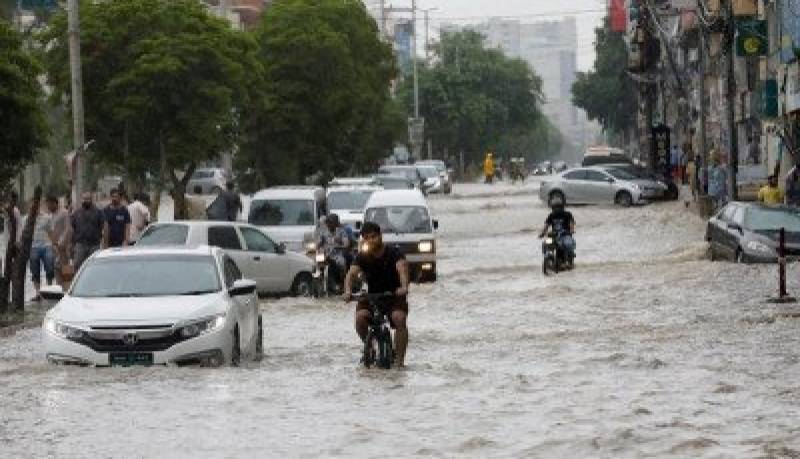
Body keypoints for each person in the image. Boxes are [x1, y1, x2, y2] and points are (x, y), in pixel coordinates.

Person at [343, 222, 410, 367]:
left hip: (393, 295)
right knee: (360, 319)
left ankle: (399, 361)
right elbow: (351, 274)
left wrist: (404, 287)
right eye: (367, 238)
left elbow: (402, 269)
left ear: (380, 236)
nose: (371, 240)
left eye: (373, 237)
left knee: (399, 318)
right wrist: (348, 291)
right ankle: (370, 347)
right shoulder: (362, 256)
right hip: (371, 296)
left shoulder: (394, 252)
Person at [28, 195, 58, 301]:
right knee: (35, 271)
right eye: (32, 205)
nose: (34, 207)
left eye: (36, 205)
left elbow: (52, 232)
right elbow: (23, 235)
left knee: (50, 267)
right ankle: (38, 293)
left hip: (46, 245)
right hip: (33, 247)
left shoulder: (46, 217)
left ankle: (49, 290)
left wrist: (55, 245)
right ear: (30, 206)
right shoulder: (26, 219)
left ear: (39, 205)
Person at [70, 192, 104, 270]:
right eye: (84, 199)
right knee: (77, 264)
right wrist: (71, 244)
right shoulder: (76, 213)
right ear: (82, 200)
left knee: (95, 266)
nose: (86, 200)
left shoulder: (98, 212)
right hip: (80, 244)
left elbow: (102, 227)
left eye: (88, 199)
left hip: (94, 244)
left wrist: (102, 242)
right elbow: (72, 229)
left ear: (91, 200)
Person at [318, 214, 351, 290]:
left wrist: (340, 246)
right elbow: (319, 242)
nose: (329, 224)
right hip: (325, 254)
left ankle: (343, 283)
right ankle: (316, 283)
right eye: (328, 222)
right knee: (314, 264)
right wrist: (317, 246)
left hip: (337, 255)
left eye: (331, 222)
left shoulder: (341, 232)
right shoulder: (323, 232)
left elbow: (346, 243)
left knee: (342, 264)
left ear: (336, 223)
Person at [538, 196, 576, 261]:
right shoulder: (551, 215)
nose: (557, 208)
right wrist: (542, 233)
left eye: (558, 206)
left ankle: (567, 259)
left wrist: (572, 230)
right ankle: (548, 256)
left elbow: (571, 223)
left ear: (562, 206)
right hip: (554, 235)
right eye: (556, 206)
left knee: (568, 244)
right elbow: (546, 226)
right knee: (546, 244)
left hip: (565, 235)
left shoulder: (567, 214)